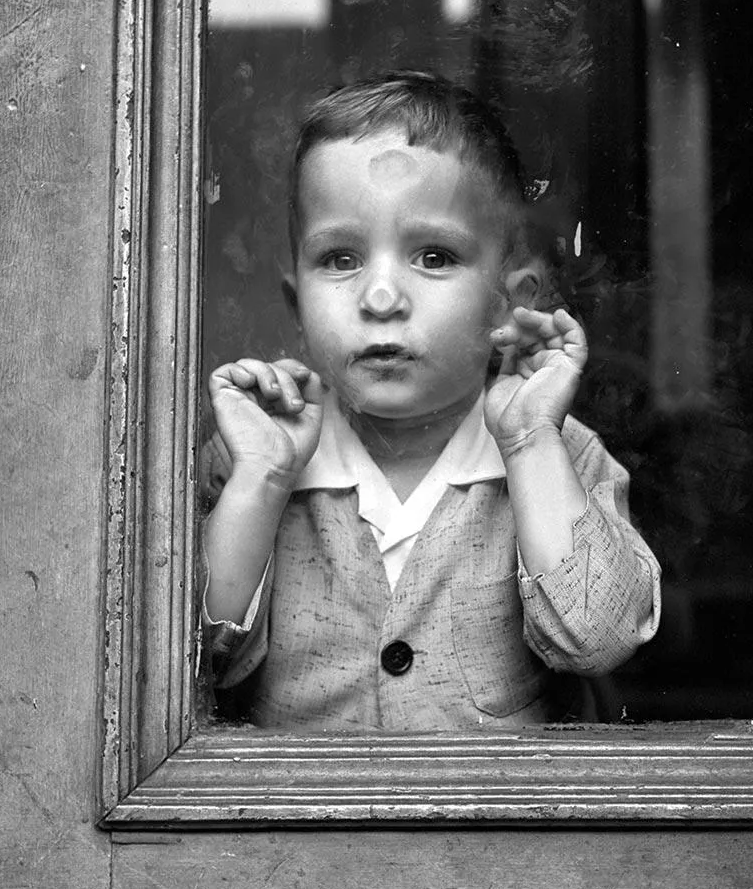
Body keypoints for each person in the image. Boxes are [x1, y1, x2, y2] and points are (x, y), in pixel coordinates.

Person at [201, 70, 660, 729]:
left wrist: (530, 442)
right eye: (340, 259)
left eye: (435, 257)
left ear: (508, 301)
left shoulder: (560, 452)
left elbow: (601, 637)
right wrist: (263, 479)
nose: (380, 297)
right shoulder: (250, 455)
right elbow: (192, 658)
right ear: (296, 305)